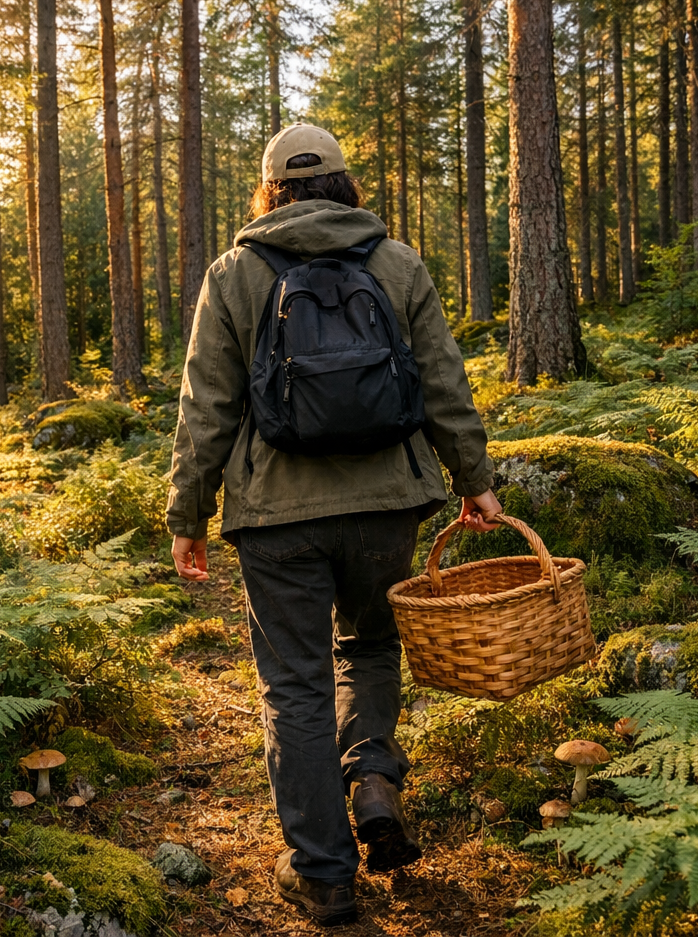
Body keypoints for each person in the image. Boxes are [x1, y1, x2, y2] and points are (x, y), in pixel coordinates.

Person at [166, 124, 502, 926]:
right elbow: (443, 383)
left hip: (276, 516)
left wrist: (188, 512)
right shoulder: (396, 262)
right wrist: (475, 481)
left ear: (270, 190)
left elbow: (206, 408)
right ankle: (376, 777)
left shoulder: (236, 273)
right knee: (372, 644)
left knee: (296, 684)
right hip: (389, 503)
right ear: (347, 184)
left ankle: (323, 874)